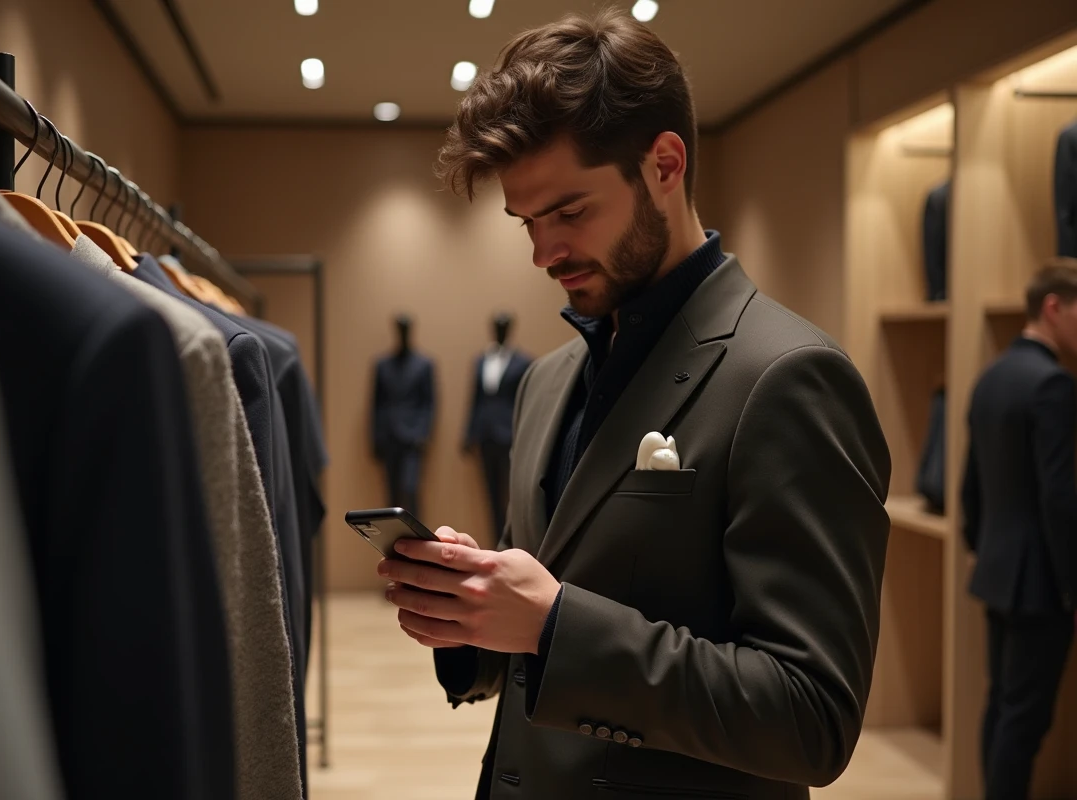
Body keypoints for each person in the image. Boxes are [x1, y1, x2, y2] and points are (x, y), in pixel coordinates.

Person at [375, 8, 892, 799]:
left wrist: (554, 625)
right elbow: (534, 635)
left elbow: (812, 718)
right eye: (527, 223)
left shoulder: (791, 376)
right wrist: (469, 613)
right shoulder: (545, 383)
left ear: (665, 164)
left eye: (570, 213)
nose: (544, 253)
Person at [961, 259, 1077, 800]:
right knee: (1025, 721)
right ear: (1053, 307)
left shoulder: (994, 374)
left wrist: (976, 545)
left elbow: (972, 483)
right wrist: (1072, 583)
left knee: (1003, 705)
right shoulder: (1053, 384)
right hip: (1041, 580)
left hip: (999, 568)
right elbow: (1060, 498)